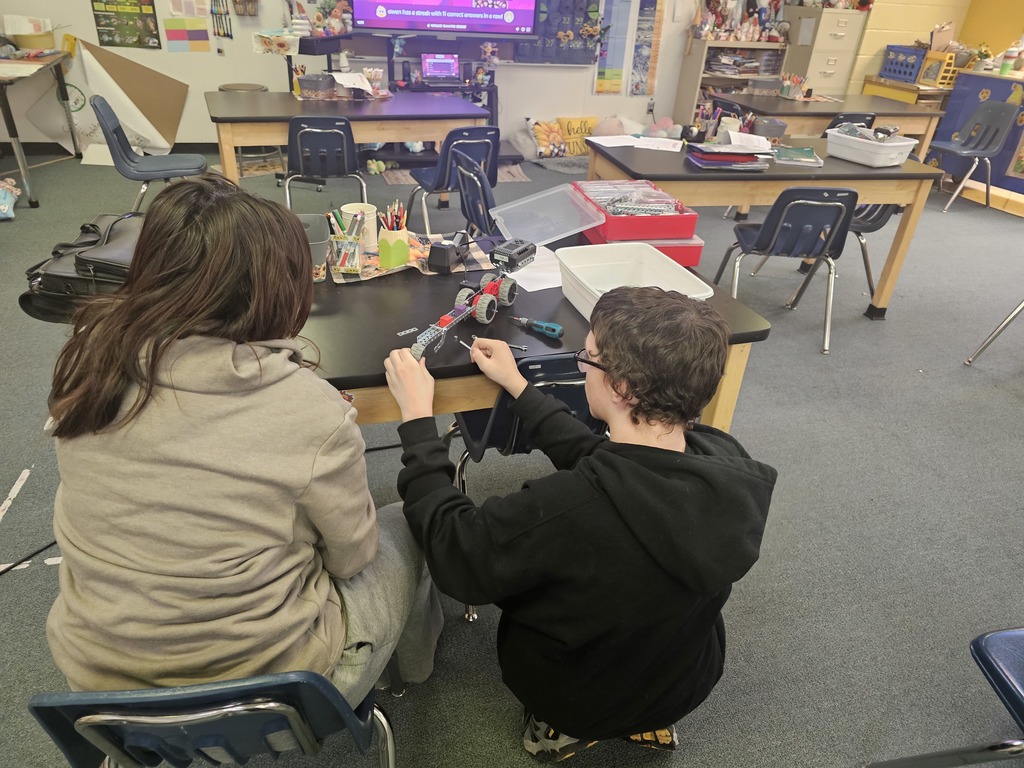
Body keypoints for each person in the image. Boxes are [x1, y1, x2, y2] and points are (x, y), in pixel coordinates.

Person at [46, 174, 442, 702]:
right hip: (273, 693)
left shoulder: (87, 366)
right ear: (280, 290)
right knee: (410, 522)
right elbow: (352, 557)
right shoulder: (309, 408)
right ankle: (414, 676)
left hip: (97, 688)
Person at [384, 286, 777, 762]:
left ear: (622, 388)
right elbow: (603, 460)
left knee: (555, 669)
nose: (581, 366)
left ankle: (560, 727)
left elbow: (457, 551)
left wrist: (416, 421)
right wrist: (519, 387)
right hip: (684, 683)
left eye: (587, 358)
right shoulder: (724, 463)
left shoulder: (568, 511)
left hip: (578, 696)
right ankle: (645, 719)